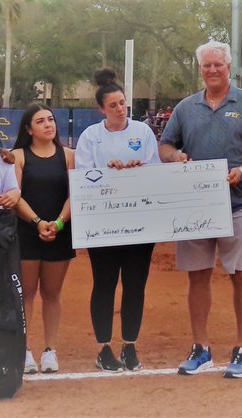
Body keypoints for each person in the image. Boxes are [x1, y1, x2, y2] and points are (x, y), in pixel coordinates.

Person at [158, 40, 242, 379]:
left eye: (218, 65)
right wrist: (176, 157)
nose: (212, 70)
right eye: (207, 65)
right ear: (201, 69)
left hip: (238, 203)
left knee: (241, 275)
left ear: (229, 68)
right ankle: (201, 347)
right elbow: (166, 145)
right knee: (198, 276)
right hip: (195, 205)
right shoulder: (186, 108)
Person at [74, 69, 161, 372]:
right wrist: (108, 171)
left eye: (123, 103)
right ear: (102, 109)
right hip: (104, 224)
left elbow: (156, 171)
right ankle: (103, 348)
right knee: (105, 284)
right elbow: (84, 177)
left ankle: (130, 346)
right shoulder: (91, 137)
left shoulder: (143, 132)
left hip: (139, 222)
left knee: (135, 285)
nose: (120, 109)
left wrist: (140, 167)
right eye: (113, 105)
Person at [11, 103, 76, 374]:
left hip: (59, 233)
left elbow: (77, 192)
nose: (49, 124)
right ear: (29, 129)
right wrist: (38, 222)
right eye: (41, 121)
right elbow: (15, 195)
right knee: (25, 294)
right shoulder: (18, 156)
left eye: (51, 119)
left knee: (52, 294)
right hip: (26, 233)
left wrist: (59, 223)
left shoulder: (69, 155)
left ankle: (50, 350)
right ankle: (23, 350)